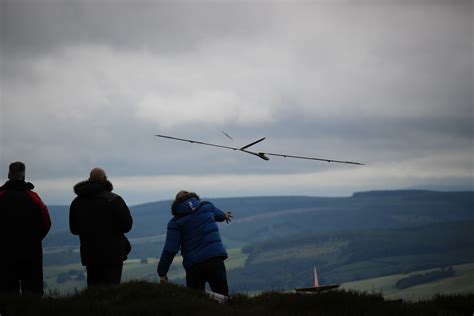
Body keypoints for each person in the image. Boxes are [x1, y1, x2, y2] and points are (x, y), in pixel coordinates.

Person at [157, 191, 233, 296]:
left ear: (176, 204)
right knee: (223, 297)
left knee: (195, 300)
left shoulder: (175, 223)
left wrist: (162, 272)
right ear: (192, 197)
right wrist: (225, 216)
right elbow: (218, 214)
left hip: (194, 266)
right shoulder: (207, 206)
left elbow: (170, 250)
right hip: (215, 260)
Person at [69, 167, 133, 286]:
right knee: (112, 289)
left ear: (89, 179)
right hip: (113, 254)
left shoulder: (76, 202)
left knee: (94, 289)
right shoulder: (113, 199)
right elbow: (127, 226)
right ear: (105, 179)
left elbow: (74, 229)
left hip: (90, 253)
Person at [0, 162, 51, 296]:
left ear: (9, 175)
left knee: (7, 291)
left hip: (4, 251)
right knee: (32, 291)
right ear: (24, 176)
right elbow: (46, 222)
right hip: (31, 250)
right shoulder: (34, 197)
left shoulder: (1, 196)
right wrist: (36, 238)